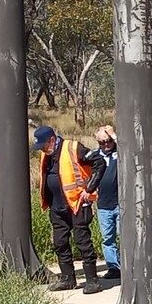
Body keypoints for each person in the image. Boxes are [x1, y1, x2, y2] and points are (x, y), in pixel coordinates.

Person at [34, 124, 104, 292]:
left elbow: (99, 162)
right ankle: (67, 279)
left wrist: (90, 188)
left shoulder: (73, 148)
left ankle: (92, 281)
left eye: (43, 145)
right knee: (60, 243)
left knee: (83, 242)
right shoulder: (46, 154)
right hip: (57, 207)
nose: (42, 149)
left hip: (77, 204)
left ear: (52, 140)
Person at [86, 125, 122, 293]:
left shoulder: (120, 153)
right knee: (108, 238)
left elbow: (129, 150)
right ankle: (113, 267)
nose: (106, 145)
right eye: (102, 142)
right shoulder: (94, 156)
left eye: (108, 141)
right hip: (103, 205)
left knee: (124, 236)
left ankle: (127, 265)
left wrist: (115, 136)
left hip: (121, 203)